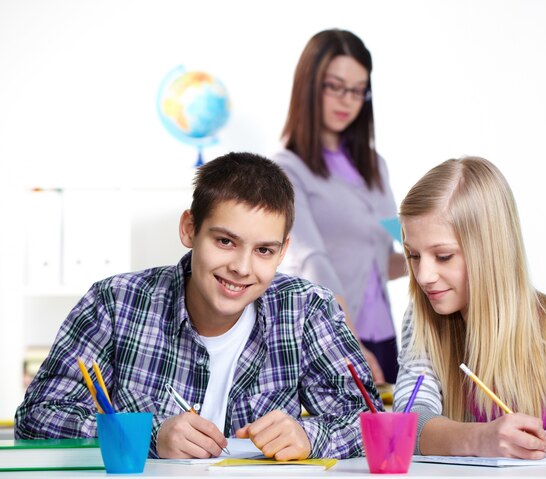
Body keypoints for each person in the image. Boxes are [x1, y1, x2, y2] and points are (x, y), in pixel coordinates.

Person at [15, 152, 382, 460]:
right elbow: (37, 417)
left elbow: (370, 421)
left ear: (283, 251)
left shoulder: (307, 310)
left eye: (264, 250)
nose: (241, 267)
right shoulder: (114, 303)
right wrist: (150, 437)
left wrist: (310, 435)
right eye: (225, 241)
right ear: (190, 229)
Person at [393, 157, 546, 459]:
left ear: (491, 251)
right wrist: (480, 439)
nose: (423, 276)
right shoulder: (421, 322)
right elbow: (409, 424)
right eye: (413, 255)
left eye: (443, 256)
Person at [272, 29, 406, 385]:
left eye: (358, 89)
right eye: (335, 86)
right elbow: (314, 262)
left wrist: (440, 254)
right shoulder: (287, 168)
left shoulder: (375, 166)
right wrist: (349, 342)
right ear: (309, 84)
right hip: (330, 338)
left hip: (383, 339)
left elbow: (388, 251)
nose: (347, 100)